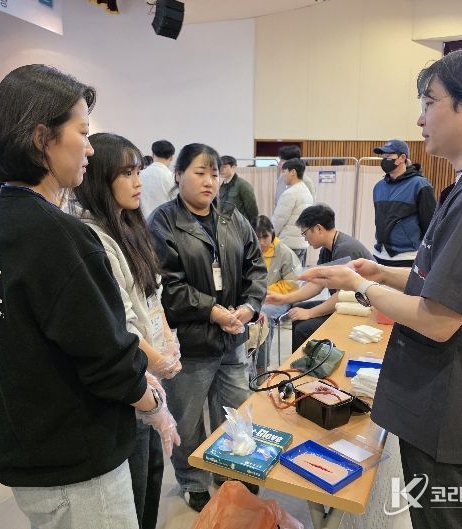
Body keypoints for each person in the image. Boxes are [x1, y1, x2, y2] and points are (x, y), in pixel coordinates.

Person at [299, 46, 462, 529]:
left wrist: (356, 286)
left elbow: (438, 319)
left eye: (430, 103)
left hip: (453, 409)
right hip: (455, 403)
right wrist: (380, 274)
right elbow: (450, 286)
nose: (420, 118)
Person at [0, 64, 179, 529]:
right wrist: (156, 407)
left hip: (32, 446)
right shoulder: (57, 235)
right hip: (73, 461)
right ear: (41, 138)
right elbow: (107, 360)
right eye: (82, 133)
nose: (89, 147)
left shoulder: (0, 217)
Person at [70, 132, 182, 529]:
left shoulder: (130, 226)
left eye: (138, 172)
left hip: (149, 373)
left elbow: (153, 295)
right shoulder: (91, 237)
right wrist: (157, 360)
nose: (137, 182)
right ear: (99, 177)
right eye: (126, 173)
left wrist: (169, 343)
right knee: (134, 486)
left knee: (151, 475)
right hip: (127, 380)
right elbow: (119, 322)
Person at [148, 143, 267, 513]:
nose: (209, 181)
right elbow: (167, 286)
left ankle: (231, 468)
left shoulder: (232, 217)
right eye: (200, 173)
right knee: (187, 419)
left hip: (233, 338)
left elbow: (255, 267)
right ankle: (192, 480)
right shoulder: (163, 222)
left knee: (235, 409)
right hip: (190, 344)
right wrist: (213, 311)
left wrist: (248, 307)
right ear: (178, 175)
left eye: (214, 174)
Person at [267, 203, 373, 352]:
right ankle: (300, 362)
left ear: (318, 228)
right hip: (346, 303)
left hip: (361, 309)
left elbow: (343, 296)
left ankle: (307, 364)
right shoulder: (327, 250)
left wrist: (309, 313)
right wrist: (284, 299)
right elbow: (316, 284)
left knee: (303, 328)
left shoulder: (345, 249)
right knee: (298, 311)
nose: (305, 239)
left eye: (305, 233)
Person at [372, 139, 436, 267]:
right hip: (379, 255)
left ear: (402, 158)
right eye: (383, 156)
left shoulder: (420, 185)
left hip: (407, 257)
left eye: (388, 155)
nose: (384, 159)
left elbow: (430, 225)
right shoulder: (379, 187)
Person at [251, 215, 301, 372]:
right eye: (257, 237)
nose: (261, 242)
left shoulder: (284, 253)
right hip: (254, 297)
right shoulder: (248, 250)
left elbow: (293, 284)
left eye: (265, 237)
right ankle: (244, 362)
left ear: (272, 233)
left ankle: (261, 368)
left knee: (263, 316)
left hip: (280, 300)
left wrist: (266, 292)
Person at [271, 158, 314, 266]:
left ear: (293, 172)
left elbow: (279, 219)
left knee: (285, 275)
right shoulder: (306, 191)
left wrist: (270, 236)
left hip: (288, 243)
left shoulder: (290, 193)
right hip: (302, 242)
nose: (282, 175)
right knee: (298, 274)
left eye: (284, 171)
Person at [218, 155, 259, 225]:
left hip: (240, 226)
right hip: (225, 225)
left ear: (233, 167)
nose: (221, 170)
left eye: (224, 167)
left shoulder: (243, 185)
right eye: (220, 167)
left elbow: (252, 211)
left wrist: (253, 227)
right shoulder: (223, 186)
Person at [139, 139, 176, 217]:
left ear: (152, 155)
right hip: (165, 222)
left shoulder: (140, 175)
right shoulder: (173, 178)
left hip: (142, 221)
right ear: (172, 157)